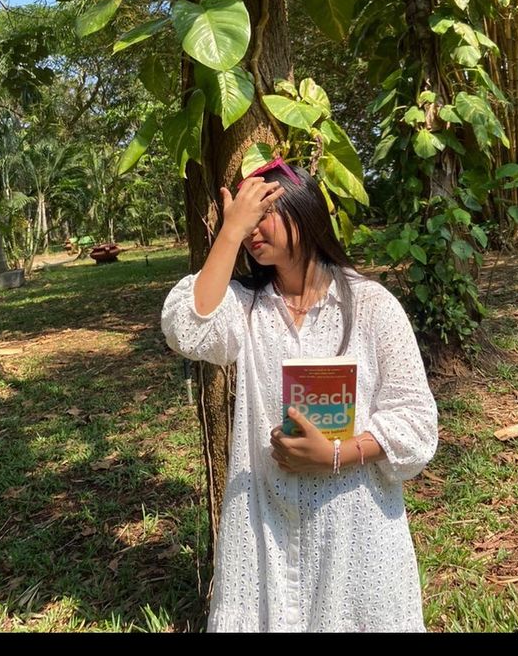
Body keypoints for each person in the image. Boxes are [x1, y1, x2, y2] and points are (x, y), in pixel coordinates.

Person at [161, 160, 439, 633]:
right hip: (263, 523)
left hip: (354, 529)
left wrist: (334, 454)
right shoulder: (244, 308)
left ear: (303, 210)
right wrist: (228, 234)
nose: (252, 229)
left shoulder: (371, 306)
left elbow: (416, 423)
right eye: (245, 219)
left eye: (262, 212)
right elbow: (187, 329)